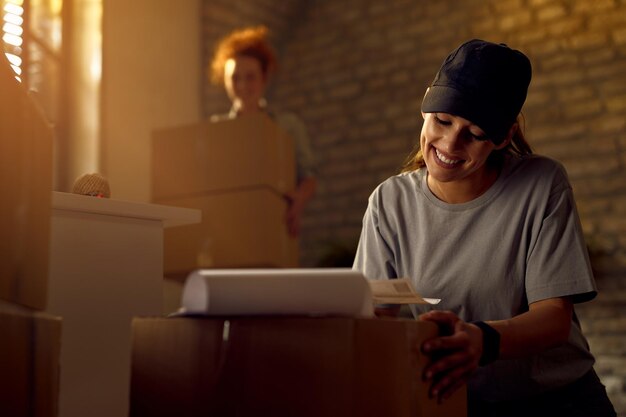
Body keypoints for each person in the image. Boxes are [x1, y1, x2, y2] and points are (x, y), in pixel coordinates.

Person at [353, 39, 616, 417]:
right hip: (458, 402)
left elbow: (554, 318)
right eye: (442, 121)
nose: (449, 143)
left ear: (504, 137)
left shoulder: (542, 183)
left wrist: (483, 339)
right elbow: (376, 314)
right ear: (425, 105)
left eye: (473, 133)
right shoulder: (388, 203)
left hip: (561, 402)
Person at [209, 25, 317, 237]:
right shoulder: (215, 129)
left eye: (250, 77)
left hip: (275, 225)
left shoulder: (288, 126)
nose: (242, 85)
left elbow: (309, 176)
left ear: (264, 77)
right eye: (234, 78)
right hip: (227, 230)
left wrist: (297, 201)